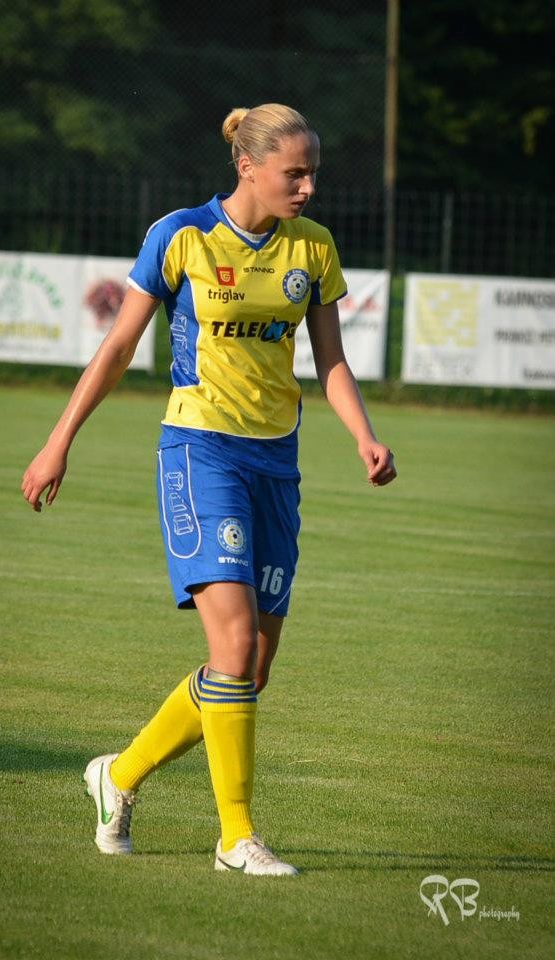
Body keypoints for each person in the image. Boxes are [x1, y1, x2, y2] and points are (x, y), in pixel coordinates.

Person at [21, 103, 396, 877]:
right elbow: (118, 346)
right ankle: (236, 839)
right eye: (295, 173)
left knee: (249, 671)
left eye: (312, 173)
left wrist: (363, 435)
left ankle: (118, 775)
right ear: (247, 166)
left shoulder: (314, 246)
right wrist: (59, 441)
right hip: (199, 452)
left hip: (276, 464)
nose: (308, 187)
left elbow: (330, 358)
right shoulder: (181, 235)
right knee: (230, 647)